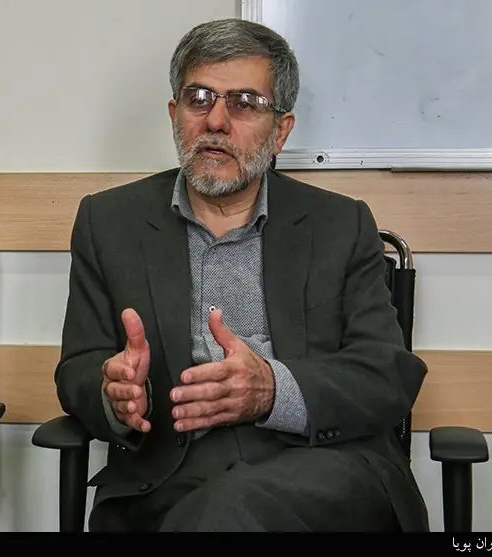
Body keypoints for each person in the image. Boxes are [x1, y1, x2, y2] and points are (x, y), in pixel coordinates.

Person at [54, 17, 429, 532]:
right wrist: (112, 392)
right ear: (175, 115)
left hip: (322, 466)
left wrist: (271, 389)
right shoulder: (109, 222)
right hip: (169, 476)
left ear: (281, 131)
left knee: (226, 512)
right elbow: (77, 367)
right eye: (199, 98)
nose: (216, 121)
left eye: (244, 103)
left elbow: (386, 374)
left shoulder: (340, 224)